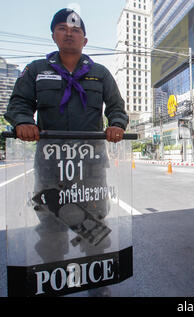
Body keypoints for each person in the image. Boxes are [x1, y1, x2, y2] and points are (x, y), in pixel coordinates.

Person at [4, 8, 129, 296]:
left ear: (85, 40)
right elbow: (18, 103)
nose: (69, 32)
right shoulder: (36, 71)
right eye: (63, 28)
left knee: (93, 225)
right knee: (51, 228)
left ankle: (98, 286)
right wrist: (23, 121)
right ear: (54, 36)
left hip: (91, 167)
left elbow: (116, 108)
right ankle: (50, 284)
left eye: (75, 30)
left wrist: (117, 125)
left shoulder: (100, 73)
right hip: (51, 168)